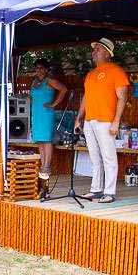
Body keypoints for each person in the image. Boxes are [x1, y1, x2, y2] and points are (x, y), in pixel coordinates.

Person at [74, 37, 129, 204]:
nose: (94, 52)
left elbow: (123, 97)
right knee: (94, 157)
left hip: (106, 120)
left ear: (107, 53)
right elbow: (85, 98)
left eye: (97, 49)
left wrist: (116, 121)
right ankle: (96, 189)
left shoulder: (116, 71)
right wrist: (78, 118)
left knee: (108, 157)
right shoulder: (90, 74)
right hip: (89, 120)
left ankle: (110, 191)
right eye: (94, 49)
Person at [30, 58, 68, 174]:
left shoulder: (50, 80)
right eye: (36, 68)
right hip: (36, 114)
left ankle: (47, 166)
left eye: (40, 68)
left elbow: (64, 89)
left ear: (46, 69)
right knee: (39, 140)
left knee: (46, 140)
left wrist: (54, 104)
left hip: (46, 113)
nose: (38, 70)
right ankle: (42, 165)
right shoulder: (34, 82)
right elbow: (31, 96)